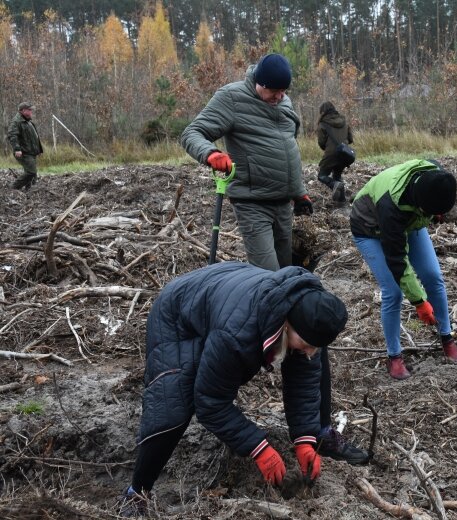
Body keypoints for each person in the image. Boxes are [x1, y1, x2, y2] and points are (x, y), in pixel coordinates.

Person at [118, 262, 367, 517]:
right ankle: (136, 492)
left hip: (225, 293)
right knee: (173, 407)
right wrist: (258, 447)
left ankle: (322, 435)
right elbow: (210, 402)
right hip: (179, 314)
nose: (310, 350)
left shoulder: (307, 310)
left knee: (313, 360)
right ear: (285, 325)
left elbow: (302, 383)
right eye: (305, 342)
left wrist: (305, 437)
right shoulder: (236, 336)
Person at [181, 53, 313, 270]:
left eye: (283, 91)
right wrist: (211, 154)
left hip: (283, 204)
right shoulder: (232, 97)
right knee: (268, 274)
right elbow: (192, 133)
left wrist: (299, 192)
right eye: (274, 91)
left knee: (287, 271)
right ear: (259, 83)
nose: (279, 97)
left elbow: (288, 149)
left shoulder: (284, 101)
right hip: (253, 203)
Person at [350, 159, 457, 380]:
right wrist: (420, 302)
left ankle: (447, 337)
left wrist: (436, 212)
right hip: (369, 227)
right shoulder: (390, 206)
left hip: (410, 220)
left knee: (433, 276)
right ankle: (394, 357)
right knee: (393, 291)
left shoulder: (436, 178)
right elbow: (398, 261)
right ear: (421, 204)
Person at [316, 101, 353, 204]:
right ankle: (342, 202)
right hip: (344, 153)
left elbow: (321, 143)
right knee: (337, 175)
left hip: (331, 154)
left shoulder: (323, 124)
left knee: (322, 176)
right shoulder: (343, 120)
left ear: (322, 111)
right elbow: (350, 139)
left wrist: (329, 148)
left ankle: (334, 185)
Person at [7, 102, 43, 191]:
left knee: (33, 174)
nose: (31, 111)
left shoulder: (28, 121)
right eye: (29, 110)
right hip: (24, 152)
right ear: (23, 111)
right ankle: (14, 187)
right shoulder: (16, 121)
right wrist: (17, 149)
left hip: (31, 152)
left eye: (31, 110)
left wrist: (38, 150)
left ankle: (30, 190)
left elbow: (33, 137)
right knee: (31, 172)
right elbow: (12, 135)